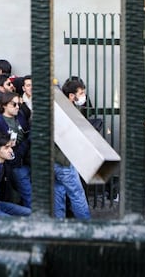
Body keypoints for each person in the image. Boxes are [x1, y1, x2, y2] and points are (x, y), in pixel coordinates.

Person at [54, 79, 91, 220]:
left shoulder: (63, 108)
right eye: (81, 93)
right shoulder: (63, 112)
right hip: (64, 160)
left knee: (58, 192)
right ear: (71, 96)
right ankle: (87, 227)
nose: (83, 96)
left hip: (57, 159)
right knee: (77, 195)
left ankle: (58, 225)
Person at [0, 92, 31, 208]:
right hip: (14, 163)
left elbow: (27, 133)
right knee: (28, 194)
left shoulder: (20, 115)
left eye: (18, 104)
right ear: (4, 105)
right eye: (14, 104)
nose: (17, 107)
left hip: (27, 159)